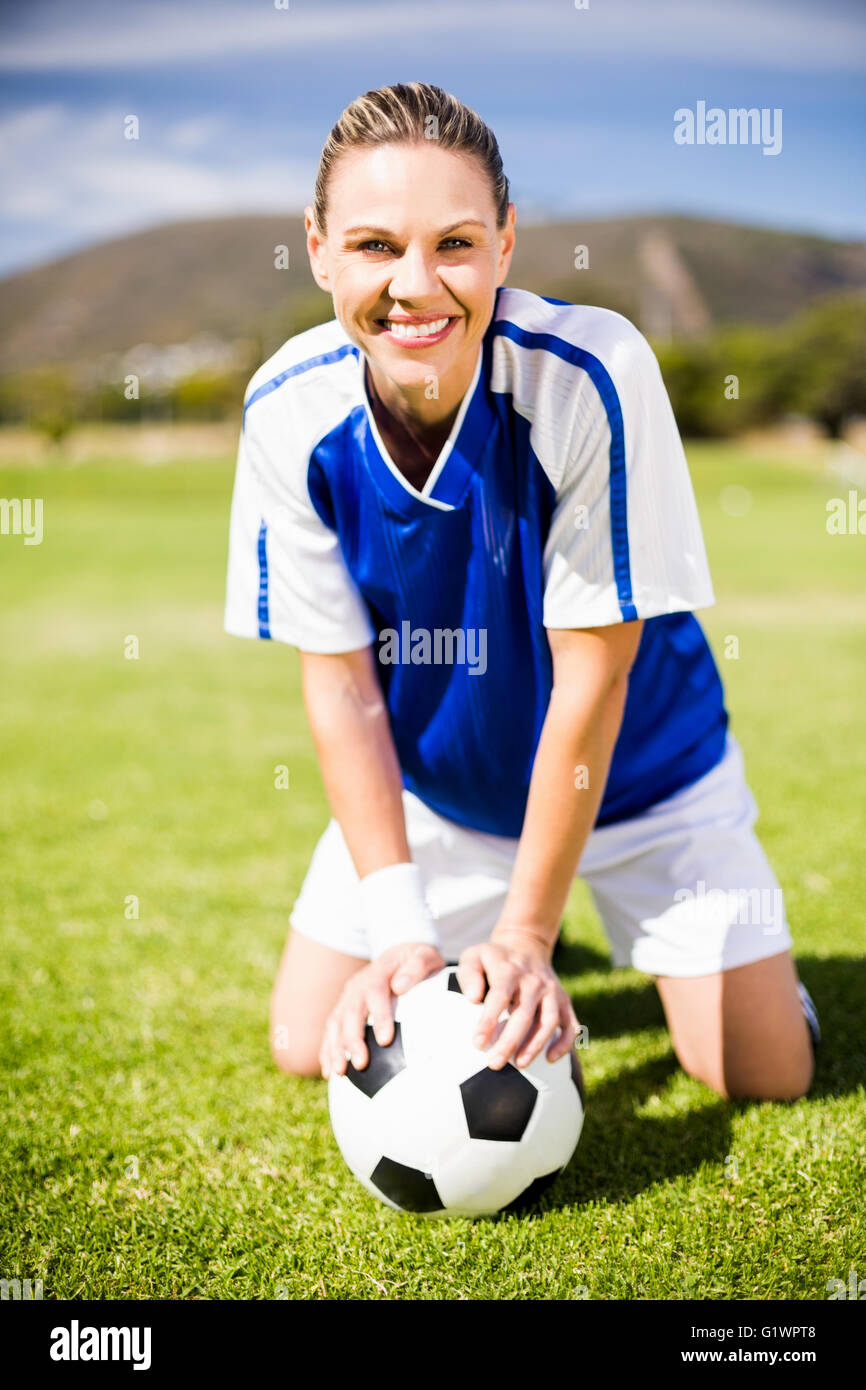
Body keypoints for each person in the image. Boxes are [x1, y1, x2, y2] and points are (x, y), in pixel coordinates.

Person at [224, 82, 818, 1102]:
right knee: (299, 1036)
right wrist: (404, 929)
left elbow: (592, 679)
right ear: (317, 248)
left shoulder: (589, 375)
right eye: (373, 245)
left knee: (759, 1076)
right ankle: (474, 934)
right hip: (446, 797)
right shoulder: (288, 409)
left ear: (504, 241)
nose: (416, 286)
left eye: (454, 243)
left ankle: (703, 974)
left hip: (644, 781)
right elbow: (344, 688)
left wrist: (525, 934)